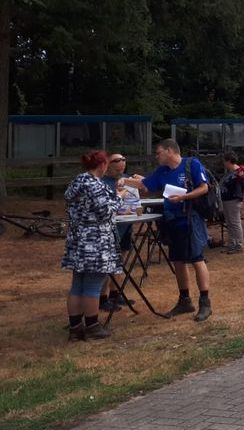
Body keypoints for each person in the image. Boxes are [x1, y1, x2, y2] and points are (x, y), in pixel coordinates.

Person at [124, 139, 213, 322]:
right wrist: (122, 180)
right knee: (178, 261)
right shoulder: (162, 172)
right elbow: (144, 185)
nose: (156, 156)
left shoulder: (191, 164)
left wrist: (184, 197)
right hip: (172, 221)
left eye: (158, 152)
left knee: (197, 259)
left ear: (170, 150)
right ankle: (185, 300)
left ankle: (205, 302)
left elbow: (204, 188)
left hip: (190, 219)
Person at [63, 150, 122, 341]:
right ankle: (92, 326)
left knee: (77, 285)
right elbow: (105, 212)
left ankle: (75, 327)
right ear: (103, 165)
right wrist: (118, 197)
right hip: (95, 242)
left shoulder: (77, 181)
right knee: (92, 286)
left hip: (78, 239)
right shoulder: (95, 185)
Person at [98, 153, 138, 312]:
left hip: (125, 227)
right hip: (109, 229)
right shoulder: (101, 182)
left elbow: (142, 191)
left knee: (119, 262)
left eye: (123, 164)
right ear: (107, 165)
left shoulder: (126, 178)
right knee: (107, 264)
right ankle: (102, 297)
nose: (120, 171)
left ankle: (116, 294)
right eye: (117, 167)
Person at [220, 151, 244, 254]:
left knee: (235, 222)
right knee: (229, 222)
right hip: (226, 200)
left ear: (229, 161)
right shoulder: (228, 172)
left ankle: (239, 245)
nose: (224, 163)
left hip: (233, 200)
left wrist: (240, 178)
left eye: (224, 161)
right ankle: (232, 243)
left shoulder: (239, 172)